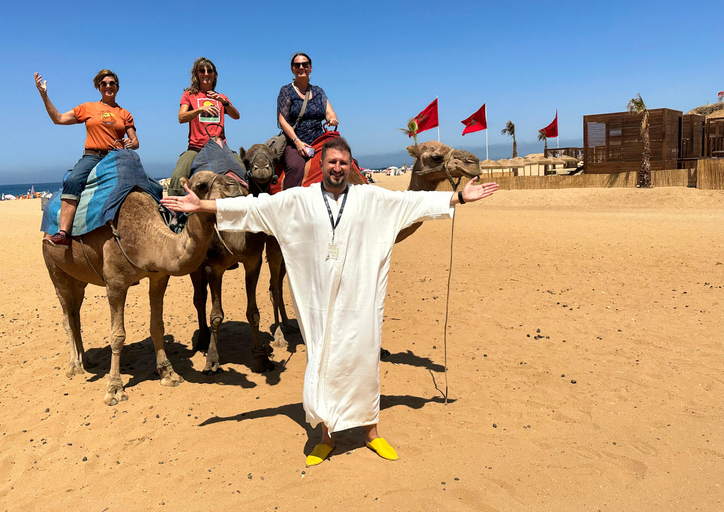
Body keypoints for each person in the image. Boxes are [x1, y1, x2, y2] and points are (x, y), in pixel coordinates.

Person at [160, 137, 498, 465]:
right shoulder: (300, 200)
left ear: (350, 165)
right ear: (322, 166)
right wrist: (202, 206)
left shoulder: (369, 197)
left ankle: (371, 431)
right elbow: (256, 206)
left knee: (365, 359)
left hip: (360, 297)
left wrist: (459, 199)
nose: (338, 168)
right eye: (332, 162)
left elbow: (410, 203)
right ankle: (327, 437)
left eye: (343, 163)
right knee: (322, 361)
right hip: (318, 300)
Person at [34, 70, 138, 246]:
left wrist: (131, 143)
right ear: (99, 87)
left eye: (112, 83)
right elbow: (58, 119)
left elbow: (135, 142)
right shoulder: (88, 108)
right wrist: (44, 95)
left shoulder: (124, 113)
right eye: (103, 83)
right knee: (73, 180)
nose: (108, 86)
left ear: (117, 87)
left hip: (117, 156)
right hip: (92, 156)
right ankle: (63, 232)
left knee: (147, 184)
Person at [167, 57, 242, 196]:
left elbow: (236, 116)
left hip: (220, 145)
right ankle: (174, 214)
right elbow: (181, 117)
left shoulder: (221, 97)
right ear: (197, 74)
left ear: (214, 75)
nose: (206, 74)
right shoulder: (189, 95)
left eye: (210, 71)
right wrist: (199, 110)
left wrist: (224, 102)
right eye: (202, 71)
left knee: (243, 169)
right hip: (196, 148)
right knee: (178, 175)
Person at [277, 52, 338, 189]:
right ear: (292, 69)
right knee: (295, 166)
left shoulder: (318, 92)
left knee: (346, 161)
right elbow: (282, 121)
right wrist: (297, 142)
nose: (301, 67)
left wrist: (332, 119)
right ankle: (288, 203)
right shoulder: (286, 91)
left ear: (310, 68)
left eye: (304, 64)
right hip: (295, 141)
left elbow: (330, 113)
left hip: (319, 140)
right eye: (297, 65)